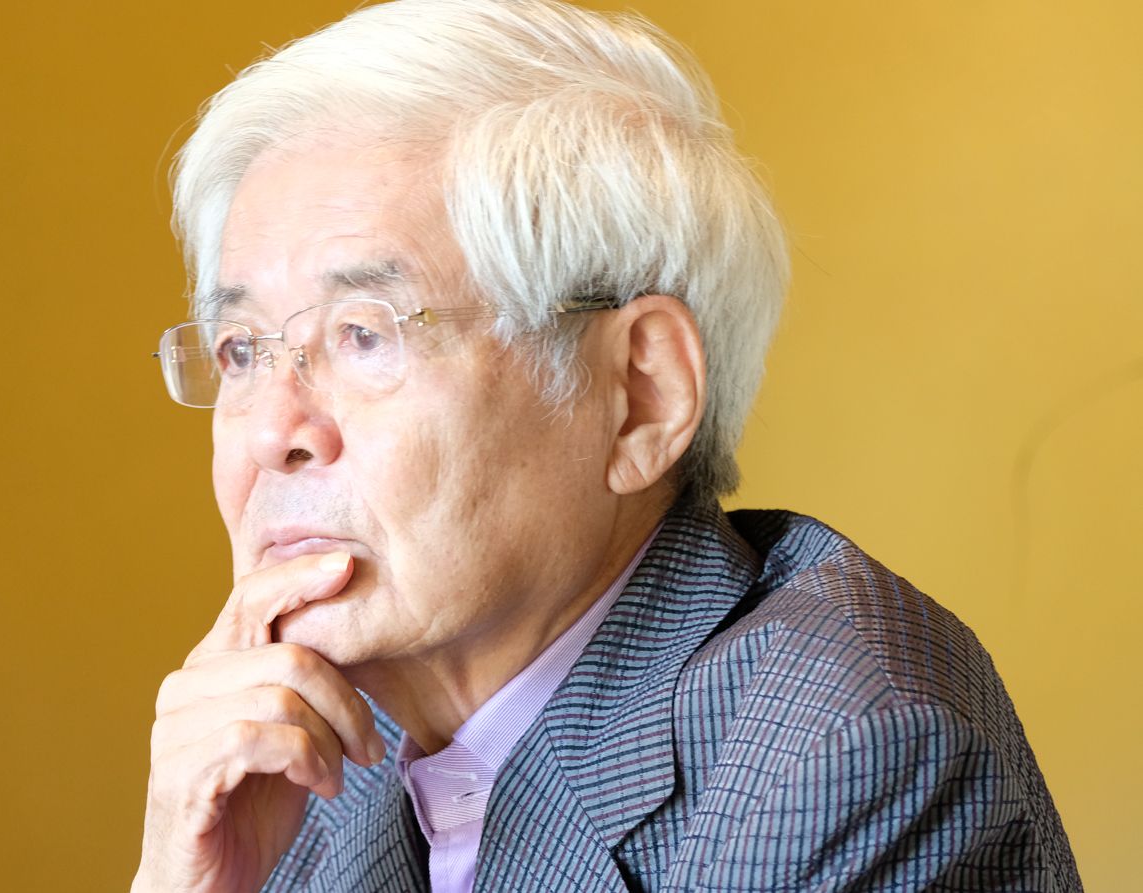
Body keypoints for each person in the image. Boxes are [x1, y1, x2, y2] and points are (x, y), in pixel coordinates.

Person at [132, 1, 1081, 890]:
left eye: (364, 334)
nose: (273, 432)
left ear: (640, 396)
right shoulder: (300, 751)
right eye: (242, 349)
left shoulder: (842, 748)